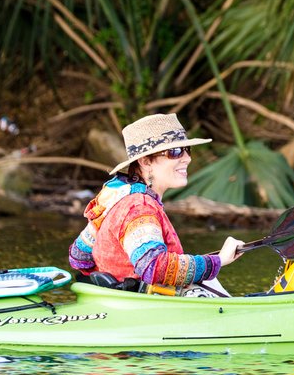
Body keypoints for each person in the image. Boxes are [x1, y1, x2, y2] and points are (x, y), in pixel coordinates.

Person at [69, 113, 244, 296]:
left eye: (186, 150)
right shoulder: (139, 206)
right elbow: (153, 267)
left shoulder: (116, 197)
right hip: (143, 309)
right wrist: (218, 260)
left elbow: (79, 258)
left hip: (119, 303)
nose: (187, 159)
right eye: (175, 152)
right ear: (146, 162)